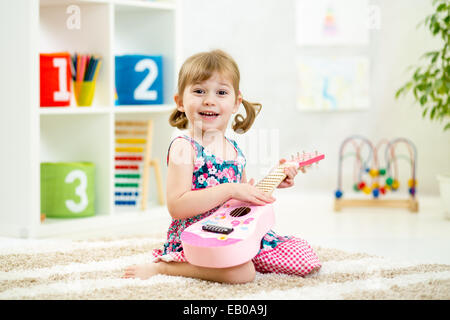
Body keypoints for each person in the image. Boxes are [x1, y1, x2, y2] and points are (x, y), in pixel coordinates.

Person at [123, 49, 321, 283]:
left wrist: (274, 180)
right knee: (242, 272)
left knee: (304, 255)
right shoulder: (184, 147)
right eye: (198, 91)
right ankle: (165, 268)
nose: (209, 100)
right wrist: (230, 189)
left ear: (236, 102)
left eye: (221, 92)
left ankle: (242, 255)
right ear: (180, 102)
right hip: (199, 235)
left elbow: (240, 204)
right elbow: (177, 206)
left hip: (233, 229)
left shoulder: (235, 150)